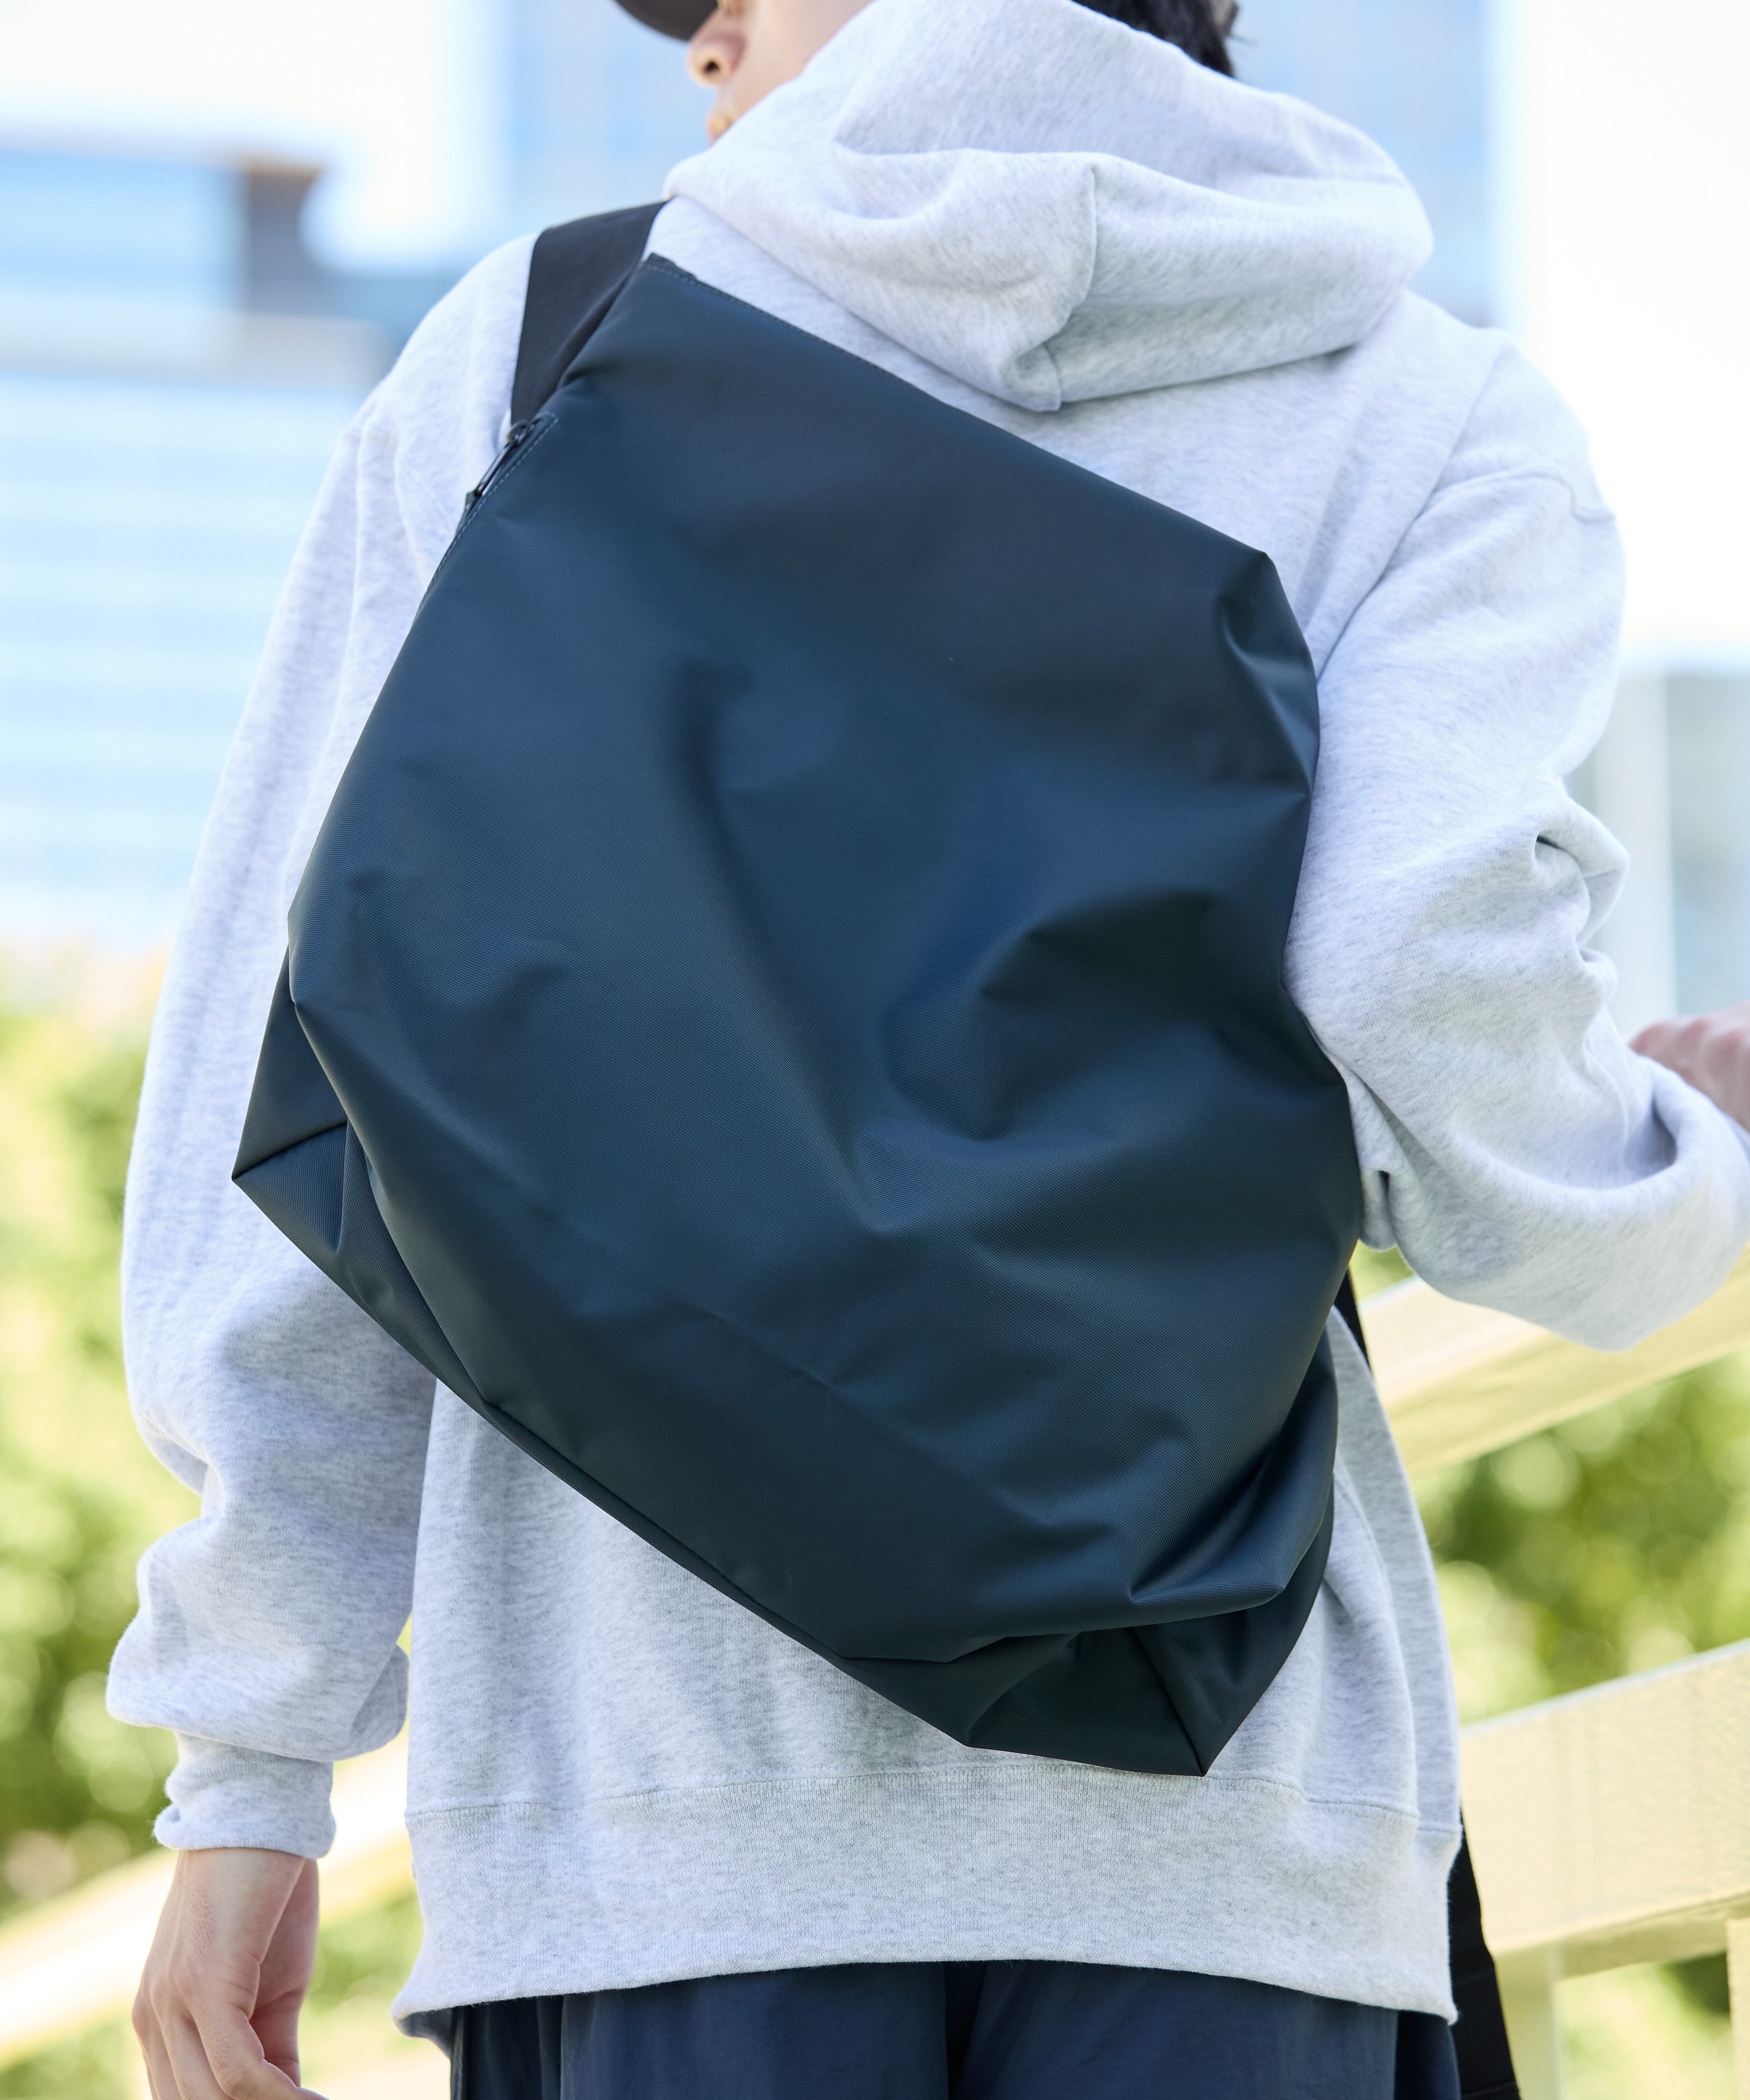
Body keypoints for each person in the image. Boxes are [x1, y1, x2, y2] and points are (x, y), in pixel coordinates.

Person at [112, 0, 1750, 2092]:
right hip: (1226, 1825)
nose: (701, 53)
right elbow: (1431, 1011)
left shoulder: (550, 344)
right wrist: (1687, 1168)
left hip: (661, 1829)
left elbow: (321, 1055)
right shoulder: (1430, 411)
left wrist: (251, 1762)